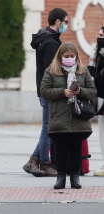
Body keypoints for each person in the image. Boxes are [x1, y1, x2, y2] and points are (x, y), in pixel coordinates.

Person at [40, 42, 96, 189]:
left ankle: (75, 177)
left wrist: (80, 91)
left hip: (78, 116)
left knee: (76, 148)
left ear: (76, 56)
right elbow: (44, 90)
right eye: (66, 56)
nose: (69, 59)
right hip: (59, 116)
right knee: (61, 149)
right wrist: (62, 92)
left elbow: (92, 90)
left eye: (72, 56)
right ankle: (61, 177)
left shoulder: (83, 71)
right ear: (60, 56)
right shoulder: (51, 71)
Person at [23, 8, 68, 177]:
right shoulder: (50, 43)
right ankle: (44, 163)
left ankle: (33, 161)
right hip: (49, 91)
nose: (66, 25)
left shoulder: (46, 39)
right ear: (57, 21)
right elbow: (52, 71)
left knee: (48, 126)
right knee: (48, 127)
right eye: (65, 22)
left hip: (44, 90)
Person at [88, 26, 104, 176]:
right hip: (100, 97)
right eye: (99, 34)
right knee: (102, 131)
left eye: (102, 35)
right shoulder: (96, 53)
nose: (100, 38)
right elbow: (90, 73)